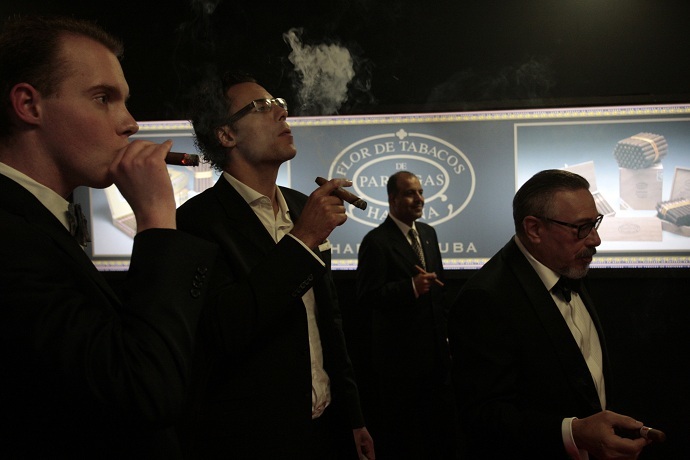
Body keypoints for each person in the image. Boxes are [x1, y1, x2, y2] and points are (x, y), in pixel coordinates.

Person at [0, 15, 218, 459]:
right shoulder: (9, 235)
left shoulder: (35, 222)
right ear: (29, 104)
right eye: (103, 98)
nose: (131, 123)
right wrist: (157, 218)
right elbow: (145, 389)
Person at [175, 72, 375, 460]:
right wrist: (302, 240)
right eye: (262, 107)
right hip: (254, 437)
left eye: (279, 103)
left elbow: (327, 320)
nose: (282, 111)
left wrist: (353, 416)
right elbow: (225, 329)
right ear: (226, 136)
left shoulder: (302, 205)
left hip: (325, 425)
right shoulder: (196, 222)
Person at [448, 169, 652, 459]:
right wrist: (574, 433)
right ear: (534, 229)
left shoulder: (567, 265)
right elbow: (482, 417)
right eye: (581, 228)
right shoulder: (485, 299)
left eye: (595, 223)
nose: (595, 240)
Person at [356, 171, 456, 459]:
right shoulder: (376, 241)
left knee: (438, 435)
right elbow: (367, 298)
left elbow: (439, 289)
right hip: (399, 364)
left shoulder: (428, 233)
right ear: (392, 199)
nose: (420, 199)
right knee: (406, 439)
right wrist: (409, 287)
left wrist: (446, 338)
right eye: (411, 193)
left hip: (436, 359)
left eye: (421, 192)